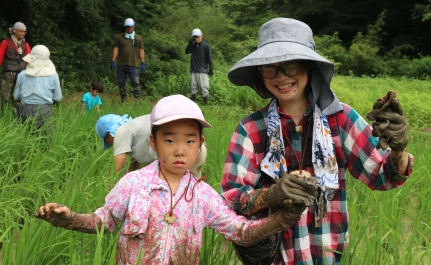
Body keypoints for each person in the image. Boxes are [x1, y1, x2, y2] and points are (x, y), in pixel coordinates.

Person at [34, 94, 318, 265]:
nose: (180, 149)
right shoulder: (133, 184)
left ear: (200, 145)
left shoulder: (204, 195)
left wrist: (286, 217)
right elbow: (103, 222)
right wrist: (69, 218)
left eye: (189, 141)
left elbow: (242, 232)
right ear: (153, 142)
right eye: (169, 140)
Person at [220, 18, 414, 265]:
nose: (281, 77)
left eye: (290, 66)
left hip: (328, 256)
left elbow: (383, 175)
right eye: (271, 68)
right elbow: (231, 198)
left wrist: (398, 148)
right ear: (261, 74)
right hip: (273, 258)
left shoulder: (341, 120)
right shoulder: (251, 129)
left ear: (309, 66)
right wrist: (271, 196)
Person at [95, 112, 208, 177]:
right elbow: (134, 167)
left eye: (107, 142)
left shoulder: (121, 132)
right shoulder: (135, 128)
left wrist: (106, 192)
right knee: (190, 192)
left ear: (108, 135)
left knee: (180, 194)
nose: (110, 144)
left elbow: (117, 168)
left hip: (178, 155)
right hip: (195, 147)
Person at [13, 45, 62, 133]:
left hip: (24, 109)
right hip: (45, 111)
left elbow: (16, 96)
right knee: (44, 141)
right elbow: (58, 97)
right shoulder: (54, 75)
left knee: (24, 138)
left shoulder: (22, 75)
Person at [110, 18, 145, 103]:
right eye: (127, 27)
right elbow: (116, 49)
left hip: (133, 64)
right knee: (121, 83)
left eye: (130, 26)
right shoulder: (119, 37)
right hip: (121, 64)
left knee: (135, 83)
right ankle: (124, 100)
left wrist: (143, 62)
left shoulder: (139, 38)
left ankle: (138, 101)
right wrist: (113, 61)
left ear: (134, 26)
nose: (128, 28)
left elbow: (141, 50)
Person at [0, 22, 31, 116]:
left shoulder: (26, 45)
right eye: (21, 31)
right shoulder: (6, 42)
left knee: (18, 98)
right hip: (8, 74)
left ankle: (17, 119)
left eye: (25, 31)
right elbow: (0, 56)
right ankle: (1, 117)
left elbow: (29, 61)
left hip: (22, 75)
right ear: (14, 30)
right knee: (3, 97)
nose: (23, 33)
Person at [185, 28, 213, 104]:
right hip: (194, 70)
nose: (196, 39)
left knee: (204, 87)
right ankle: (192, 102)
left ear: (201, 36)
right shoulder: (193, 45)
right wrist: (189, 44)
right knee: (193, 88)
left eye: (197, 37)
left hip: (203, 70)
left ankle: (206, 102)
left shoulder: (206, 46)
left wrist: (211, 68)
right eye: (194, 37)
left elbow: (209, 58)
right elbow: (187, 52)